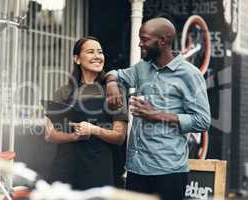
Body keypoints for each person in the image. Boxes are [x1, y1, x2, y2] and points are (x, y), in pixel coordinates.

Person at [105, 18, 211, 200]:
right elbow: (115, 74)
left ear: (162, 41)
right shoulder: (142, 68)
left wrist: (157, 115)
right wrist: (112, 83)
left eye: (144, 39)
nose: (139, 44)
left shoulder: (189, 74)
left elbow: (203, 120)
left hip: (168, 171)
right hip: (136, 169)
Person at [43, 36, 127, 190]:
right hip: (66, 168)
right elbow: (49, 134)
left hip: (98, 169)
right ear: (77, 59)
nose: (97, 56)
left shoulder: (113, 91)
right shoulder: (64, 92)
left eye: (100, 52)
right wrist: (74, 136)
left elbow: (119, 136)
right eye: (90, 52)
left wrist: (93, 130)